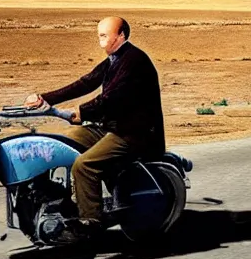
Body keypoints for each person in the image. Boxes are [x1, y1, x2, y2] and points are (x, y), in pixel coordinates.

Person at [24, 16, 165, 243]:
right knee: (66, 143)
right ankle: (70, 199)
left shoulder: (134, 61)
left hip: (134, 134)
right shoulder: (114, 59)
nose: (100, 40)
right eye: (98, 35)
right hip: (113, 127)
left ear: (121, 36)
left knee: (84, 165)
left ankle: (90, 223)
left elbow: (110, 100)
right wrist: (45, 99)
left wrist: (79, 113)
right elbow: (86, 82)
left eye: (104, 35)